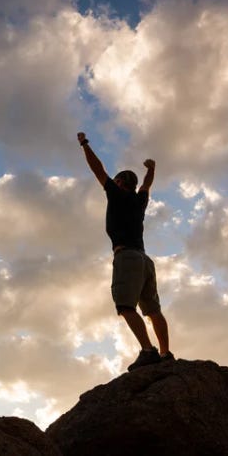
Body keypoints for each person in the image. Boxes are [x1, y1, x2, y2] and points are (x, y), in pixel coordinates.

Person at [77, 132, 173, 371]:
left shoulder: (116, 194)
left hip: (127, 257)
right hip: (144, 259)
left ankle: (148, 351)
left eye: (116, 180)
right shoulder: (140, 201)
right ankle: (165, 353)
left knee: (125, 306)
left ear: (120, 183)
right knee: (153, 309)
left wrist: (84, 144)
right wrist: (151, 168)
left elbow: (97, 169)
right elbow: (147, 184)